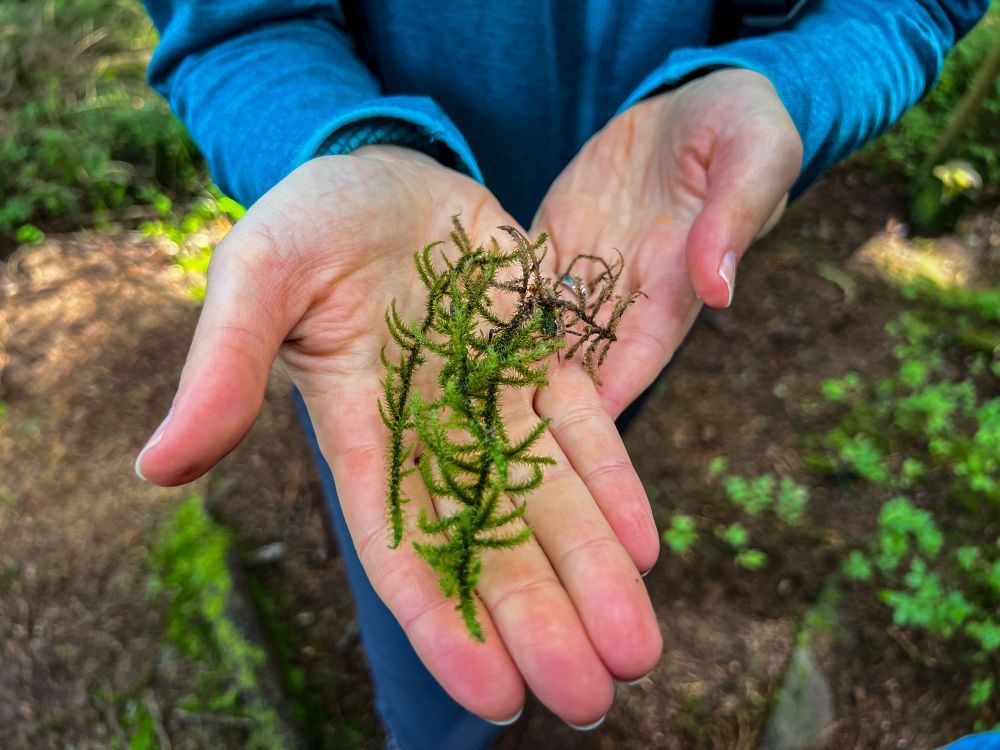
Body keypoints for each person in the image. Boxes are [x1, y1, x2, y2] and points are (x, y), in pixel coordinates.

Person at [133, 2, 990, 748]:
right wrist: (344, 142)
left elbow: (914, 4)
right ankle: (433, 729)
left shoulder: (611, 308)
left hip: (633, 279)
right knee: (424, 576)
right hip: (384, 324)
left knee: (579, 446)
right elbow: (235, 26)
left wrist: (791, 81)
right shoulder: (404, 361)